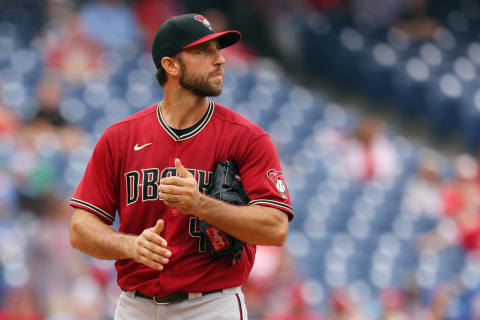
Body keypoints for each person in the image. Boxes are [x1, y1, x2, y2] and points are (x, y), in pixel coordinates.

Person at [68, 13, 293, 320]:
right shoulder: (120, 138)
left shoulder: (247, 139)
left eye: (218, 50)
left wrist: (200, 203)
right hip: (136, 305)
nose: (220, 60)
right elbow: (80, 229)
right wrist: (129, 245)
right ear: (171, 65)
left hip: (211, 305)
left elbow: (276, 228)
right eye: (203, 51)